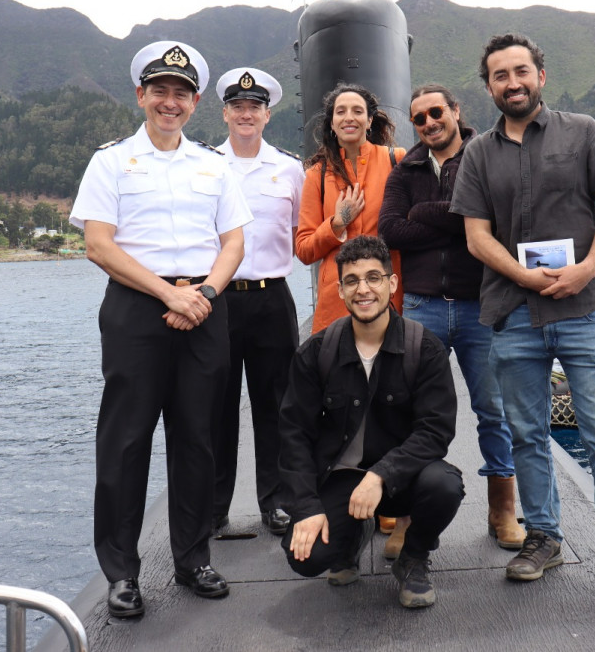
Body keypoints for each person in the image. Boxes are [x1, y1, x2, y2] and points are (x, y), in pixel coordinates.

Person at [450, 32, 595, 612]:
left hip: (584, 309)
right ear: (489, 85)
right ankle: (544, 537)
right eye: (500, 75)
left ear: (540, 75)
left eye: (521, 71)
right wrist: (525, 279)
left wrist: (588, 267)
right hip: (514, 315)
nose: (512, 82)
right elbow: (476, 236)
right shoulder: (478, 153)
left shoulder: (584, 132)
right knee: (526, 434)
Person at [70, 40, 252, 618]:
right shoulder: (110, 162)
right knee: (125, 443)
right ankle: (122, 573)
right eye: (159, 91)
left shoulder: (212, 164)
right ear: (141, 95)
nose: (169, 102)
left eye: (180, 93)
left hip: (203, 305)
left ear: (195, 101)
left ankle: (193, 557)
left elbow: (234, 242)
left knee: (198, 438)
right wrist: (168, 293)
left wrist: (203, 294)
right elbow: (98, 243)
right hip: (136, 310)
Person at [279, 235, 464, 609]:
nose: (363, 289)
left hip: (401, 478)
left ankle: (414, 557)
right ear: (341, 290)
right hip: (340, 479)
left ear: (392, 284)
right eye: (352, 281)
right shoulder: (316, 353)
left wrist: (380, 475)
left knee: (444, 485)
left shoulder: (424, 349)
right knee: (306, 557)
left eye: (373, 278)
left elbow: (435, 430)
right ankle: (350, 538)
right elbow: (294, 433)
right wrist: (307, 508)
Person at [378, 83, 524, 553]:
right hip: (422, 307)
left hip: (480, 305)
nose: (429, 123)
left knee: (493, 412)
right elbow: (391, 230)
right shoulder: (406, 169)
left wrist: (428, 212)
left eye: (436, 112)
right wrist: (457, 220)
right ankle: (404, 515)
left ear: (455, 112)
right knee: (407, 412)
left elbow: (495, 223)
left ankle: (502, 509)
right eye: (418, 118)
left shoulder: (482, 157)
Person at [211, 67, 303, 537]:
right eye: (238, 107)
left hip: (271, 299)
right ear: (225, 113)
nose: (246, 114)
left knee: (277, 406)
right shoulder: (205, 164)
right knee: (216, 408)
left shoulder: (289, 168)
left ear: (268, 115)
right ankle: (215, 510)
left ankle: (277, 502)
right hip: (219, 300)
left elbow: (297, 235)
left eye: (255, 107)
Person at [295, 83, 404, 333]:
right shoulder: (317, 175)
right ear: (332, 124)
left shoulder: (396, 160)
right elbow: (303, 249)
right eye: (340, 112)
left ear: (369, 120)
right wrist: (337, 223)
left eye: (357, 111)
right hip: (337, 302)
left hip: (387, 297)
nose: (349, 118)